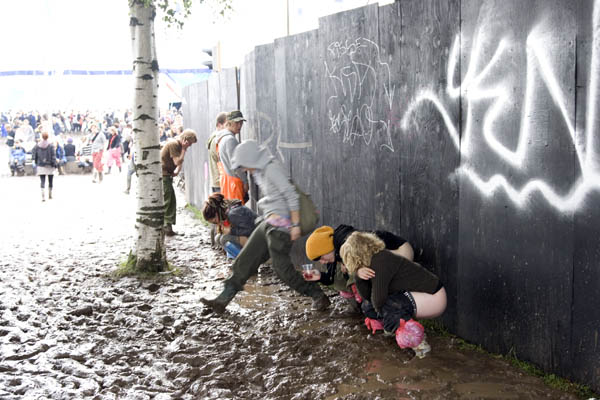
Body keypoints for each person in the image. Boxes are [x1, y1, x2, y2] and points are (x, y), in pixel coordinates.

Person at [200, 140, 330, 314]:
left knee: (282, 270)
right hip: (269, 223)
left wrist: (296, 225)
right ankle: (222, 299)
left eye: (244, 165)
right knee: (244, 260)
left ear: (251, 159)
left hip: (282, 228)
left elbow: (291, 196)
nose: (244, 169)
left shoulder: (272, 169)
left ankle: (317, 295)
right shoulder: (259, 171)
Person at [340, 231, 447, 357]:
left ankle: (420, 345)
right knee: (368, 306)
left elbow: (378, 300)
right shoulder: (374, 259)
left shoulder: (380, 261)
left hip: (435, 297)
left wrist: (388, 320)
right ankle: (394, 330)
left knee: (388, 306)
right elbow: (367, 298)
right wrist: (358, 276)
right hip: (421, 295)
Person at [303, 225, 414, 312]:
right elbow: (331, 278)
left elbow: (370, 254)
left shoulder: (348, 242)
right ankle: (361, 304)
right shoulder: (334, 251)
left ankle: (379, 308)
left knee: (355, 268)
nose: (322, 261)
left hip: (401, 252)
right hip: (385, 259)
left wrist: (353, 267)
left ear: (326, 249)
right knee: (342, 272)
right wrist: (319, 276)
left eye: (321, 257)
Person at [161, 129, 197, 236]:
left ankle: (168, 226)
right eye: (189, 143)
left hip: (167, 174)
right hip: (163, 175)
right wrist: (184, 150)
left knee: (171, 200)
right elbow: (177, 161)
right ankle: (166, 226)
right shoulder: (173, 144)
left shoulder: (178, 146)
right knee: (168, 200)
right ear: (185, 140)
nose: (189, 146)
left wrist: (176, 171)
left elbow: (179, 163)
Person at [202, 193, 258, 258]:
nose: (217, 224)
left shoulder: (233, 213)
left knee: (224, 238)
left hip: (260, 239)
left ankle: (247, 259)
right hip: (253, 237)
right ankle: (240, 258)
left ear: (216, 213)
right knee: (218, 238)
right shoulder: (228, 211)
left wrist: (231, 230)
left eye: (215, 222)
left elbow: (251, 230)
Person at [215, 111, 249, 203]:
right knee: (238, 213)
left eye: (241, 123)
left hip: (227, 181)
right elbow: (236, 165)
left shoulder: (221, 138)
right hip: (234, 184)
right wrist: (245, 182)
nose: (239, 126)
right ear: (229, 123)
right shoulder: (230, 140)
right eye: (237, 123)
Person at [32, 131, 57, 201]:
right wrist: (54, 165)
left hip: (40, 165)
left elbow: (33, 153)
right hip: (49, 165)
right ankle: (50, 194)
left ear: (42, 137)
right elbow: (53, 156)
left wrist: (36, 161)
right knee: (50, 180)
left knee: (42, 180)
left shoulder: (37, 145)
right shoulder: (51, 145)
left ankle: (43, 194)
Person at [206, 112, 228, 193]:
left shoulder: (216, 138)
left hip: (219, 181)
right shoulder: (216, 139)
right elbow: (222, 159)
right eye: (227, 125)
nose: (228, 128)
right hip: (220, 182)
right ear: (219, 125)